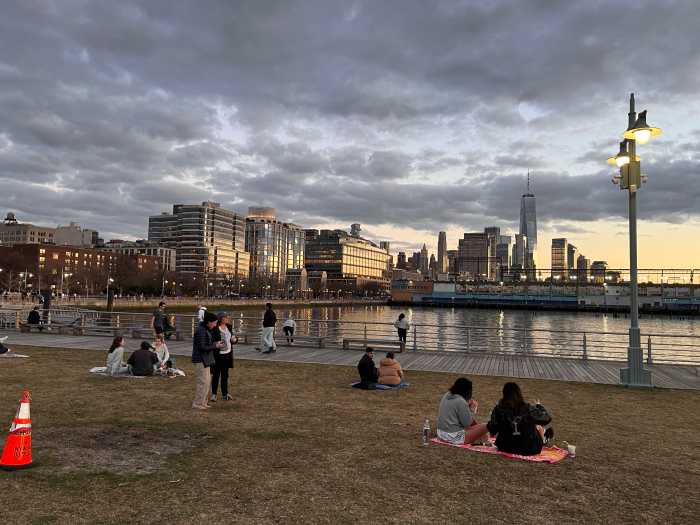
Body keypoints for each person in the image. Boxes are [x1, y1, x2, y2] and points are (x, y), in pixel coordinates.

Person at [487, 382, 553, 456]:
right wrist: (539, 406)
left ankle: (543, 436)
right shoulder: (528, 408)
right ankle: (543, 438)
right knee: (539, 427)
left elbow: (492, 430)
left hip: (505, 447)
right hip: (530, 449)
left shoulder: (498, 409)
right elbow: (547, 418)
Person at [436, 377, 489, 445]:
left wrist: (466, 405)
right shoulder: (461, 401)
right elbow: (468, 424)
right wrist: (472, 410)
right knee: (486, 426)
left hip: (440, 434)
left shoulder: (447, 395)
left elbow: (455, 410)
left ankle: (481, 438)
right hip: (454, 437)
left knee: (480, 430)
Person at [192, 311, 223, 410]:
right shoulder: (201, 331)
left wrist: (215, 343)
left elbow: (206, 344)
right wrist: (215, 346)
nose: (215, 325)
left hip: (206, 359)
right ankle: (197, 403)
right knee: (202, 382)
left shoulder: (206, 329)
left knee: (207, 382)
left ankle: (203, 402)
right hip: (200, 359)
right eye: (214, 322)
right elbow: (202, 347)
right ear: (209, 322)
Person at [210, 312, 236, 402]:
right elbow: (212, 341)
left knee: (225, 375)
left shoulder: (229, 327)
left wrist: (234, 340)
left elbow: (232, 339)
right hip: (218, 355)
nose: (227, 318)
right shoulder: (215, 328)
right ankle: (214, 394)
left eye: (227, 317)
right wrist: (217, 344)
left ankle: (225, 394)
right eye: (225, 317)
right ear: (221, 319)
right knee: (216, 375)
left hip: (227, 354)